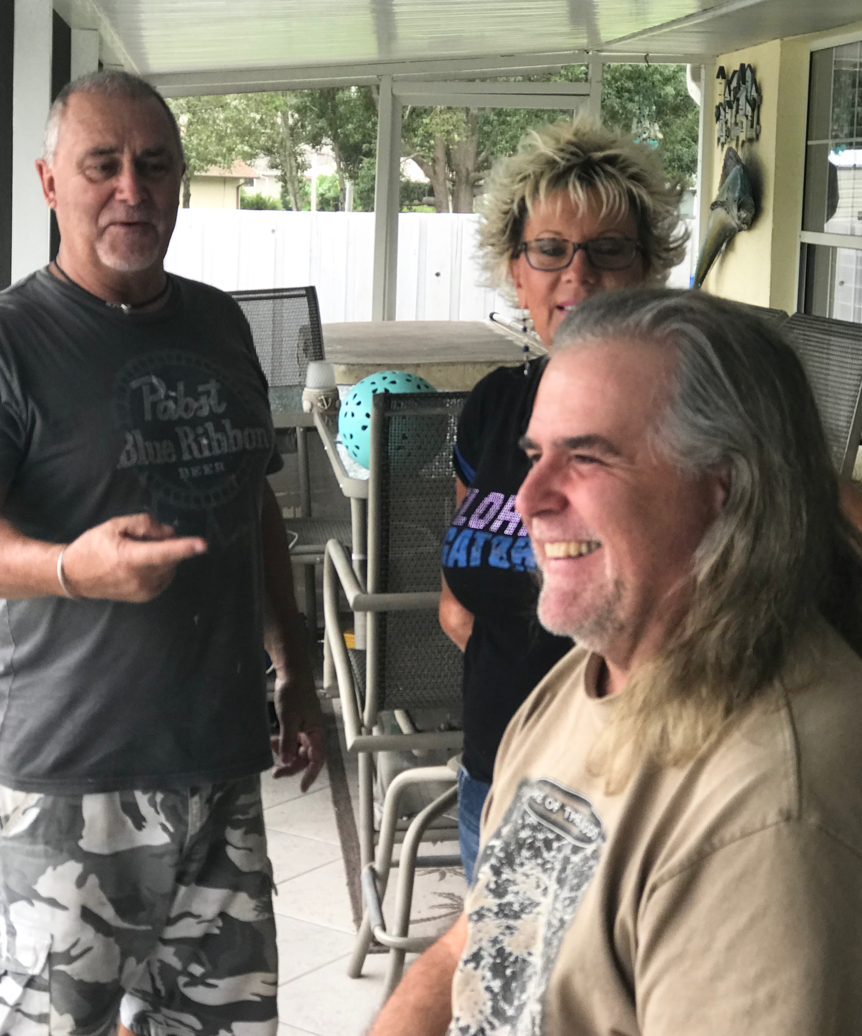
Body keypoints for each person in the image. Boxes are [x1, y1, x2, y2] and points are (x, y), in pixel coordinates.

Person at [372, 288, 862, 1036]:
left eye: (587, 457)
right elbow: (497, 919)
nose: (528, 498)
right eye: (534, 456)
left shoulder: (768, 812)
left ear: (726, 486)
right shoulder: (595, 673)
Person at [0, 71, 324, 1036]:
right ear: (49, 182)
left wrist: (293, 668)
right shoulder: (15, 340)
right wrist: (71, 569)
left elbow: (252, 500)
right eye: (102, 165)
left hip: (219, 765)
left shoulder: (219, 322)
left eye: (155, 165)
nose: (131, 189)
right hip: (73, 781)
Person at [439, 116, 687, 881]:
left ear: (646, 270)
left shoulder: (687, 411)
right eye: (550, 249)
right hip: (493, 778)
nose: (578, 274)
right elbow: (457, 602)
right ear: (517, 273)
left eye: (608, 250)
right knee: (498, 963)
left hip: (624, 794)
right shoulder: (493, 406)